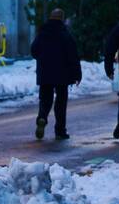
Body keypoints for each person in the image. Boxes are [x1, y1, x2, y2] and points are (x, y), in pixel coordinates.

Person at [30, 9, 82, 140]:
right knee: (61, 102)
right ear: (62, 19)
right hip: (62, 74)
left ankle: (42, 117)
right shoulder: (66, 35)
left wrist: (43, 59)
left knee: (45, 99)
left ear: (50, 17)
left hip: (45, 73)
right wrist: (77, 74)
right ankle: (60, 131)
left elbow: (34, 50)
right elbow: (73, 56)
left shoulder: (42, 33)